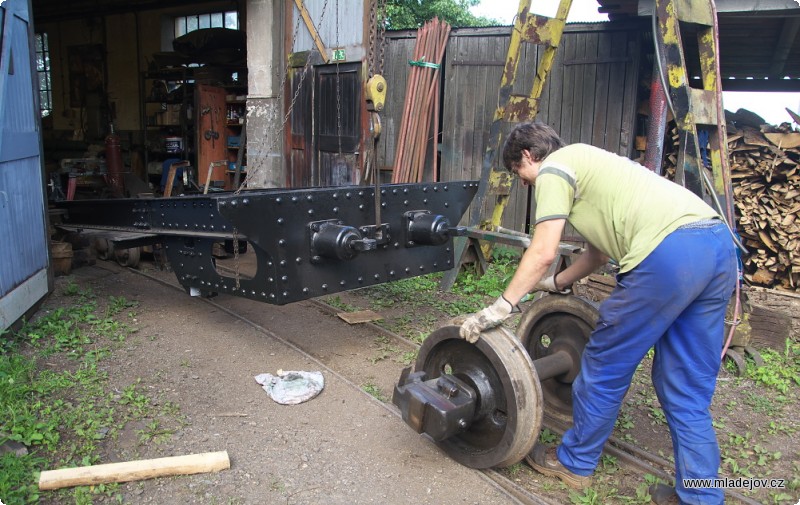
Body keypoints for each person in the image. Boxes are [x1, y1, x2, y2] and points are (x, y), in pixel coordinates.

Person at [460, 122, 737, 505]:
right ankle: (701, 496)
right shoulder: (590, 166)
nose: (523, 183)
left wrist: (502, 306)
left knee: (604, 361)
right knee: (685, 386)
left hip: (668, 255)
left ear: (528, 156)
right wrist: (555, 284)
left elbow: (541, 251)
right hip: (717, 247)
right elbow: (598, 254)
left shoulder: (554, 168)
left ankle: (575, 463)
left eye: (517, 173)